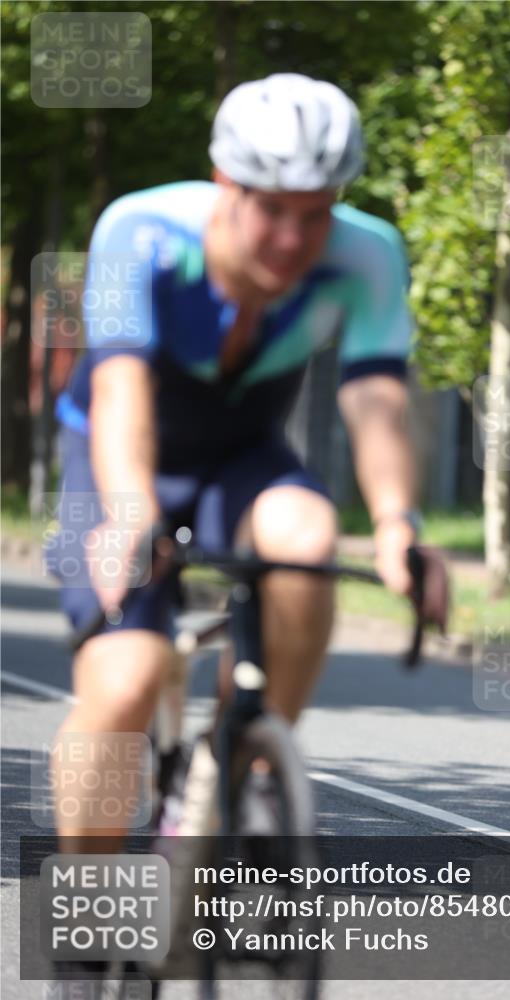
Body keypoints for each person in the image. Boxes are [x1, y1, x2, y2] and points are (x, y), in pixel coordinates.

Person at [48, 71, 447, 984]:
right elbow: (119, 391)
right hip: (115, 455)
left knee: (308, 538)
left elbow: (379, 391)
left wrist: (396, 522)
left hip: (240, 451)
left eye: (318, 212)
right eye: (273, 209)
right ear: (225, 185)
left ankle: (251, 774)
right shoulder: (140, 231)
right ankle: (85, 924)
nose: (295, 238)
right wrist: (130, 514)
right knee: (127, 675)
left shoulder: (368, 254)